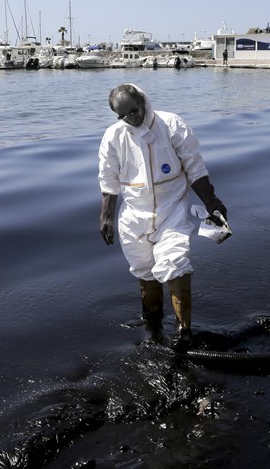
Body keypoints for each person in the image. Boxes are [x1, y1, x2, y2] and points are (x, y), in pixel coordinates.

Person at [98, 83, 227, 348]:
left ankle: (184, 331)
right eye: (122, 115)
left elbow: (194, 166)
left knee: (175, 262)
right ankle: (153, 325)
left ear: (143, 102)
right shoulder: (114, 136)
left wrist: (211, 201)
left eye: (134, 111)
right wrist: (106, 216)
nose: (130, 119)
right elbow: (108, 178)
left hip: (172, 209)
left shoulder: (171, 125)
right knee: (144, 271)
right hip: (134, 215)